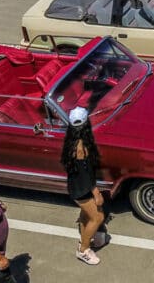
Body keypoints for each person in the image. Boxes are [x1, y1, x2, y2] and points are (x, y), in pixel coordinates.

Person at [62, 107, 109, 265]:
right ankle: (83, 250)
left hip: (76, 185)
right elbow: (86, 174)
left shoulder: (71, 141)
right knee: (98, 217)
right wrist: (96, 193)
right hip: (82, 188)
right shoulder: (81, 146)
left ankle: (85, 240)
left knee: (85, 216)